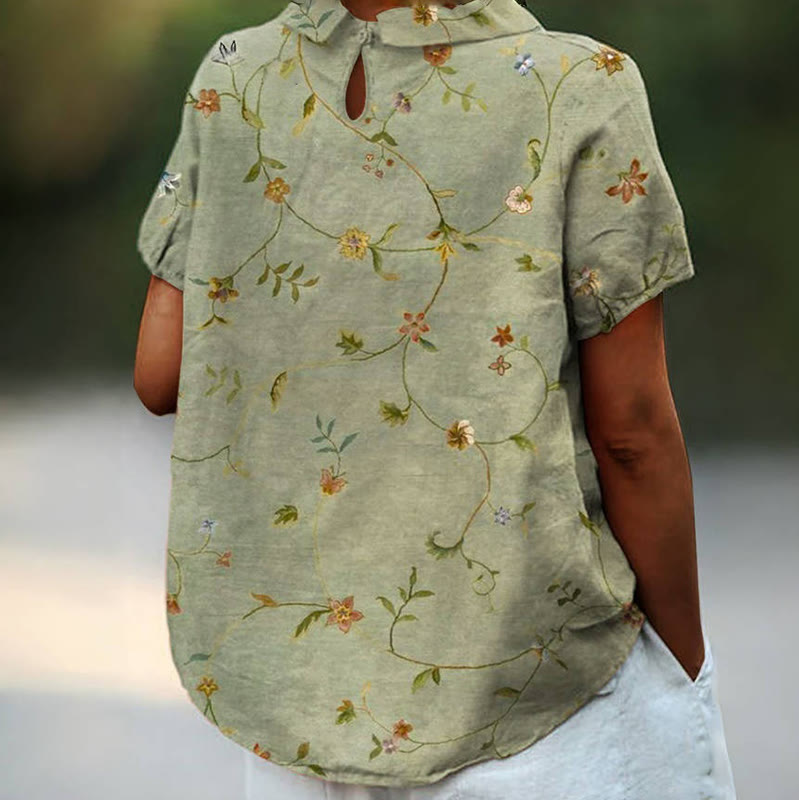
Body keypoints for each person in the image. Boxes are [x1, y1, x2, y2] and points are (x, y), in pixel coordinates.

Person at [133, 0, 737, 797]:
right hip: (529, 689)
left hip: (297, 696)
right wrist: (685, 668)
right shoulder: (578, 86)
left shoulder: (234, 76)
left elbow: (160, 373)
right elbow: (630, 433)